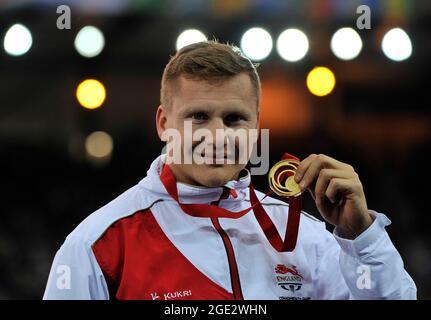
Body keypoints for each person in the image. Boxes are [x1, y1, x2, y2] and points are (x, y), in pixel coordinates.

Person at [43, 41, 416, 300]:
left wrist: (362, 237)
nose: (218, 135)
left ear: (256, 128)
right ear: (163, 123)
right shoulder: (99, 245)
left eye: (234, 118)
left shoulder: (306, 237)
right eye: (198, 117)